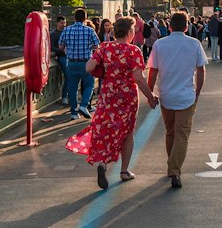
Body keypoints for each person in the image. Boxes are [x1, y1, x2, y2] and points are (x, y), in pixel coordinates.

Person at [66, 16, 158, 187]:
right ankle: (124, 171)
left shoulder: (104, 47)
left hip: (108, 94)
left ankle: (102, 163)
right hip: (127, 96)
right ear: (130, 32)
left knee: (105, 128)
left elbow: (88, 67)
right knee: (127, 132)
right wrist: (151, 97)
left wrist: (105, 70)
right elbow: (138, 78)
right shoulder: (133, 51)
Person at [147, 9, 206, 189]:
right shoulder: (194, 44)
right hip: (186, 95)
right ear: (187, 27)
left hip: (166, 95)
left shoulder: (159, 45)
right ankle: (174, 170)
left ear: (169, 26)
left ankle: (171, 164)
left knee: (170, 132)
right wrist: (197, 92)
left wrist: (150, 95)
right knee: (182, 135)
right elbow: (201, 70)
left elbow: (153, 71)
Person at [59, 7, 100, 118]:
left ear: (74, 18)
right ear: (85, 18)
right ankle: (83, 105)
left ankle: (73, 112)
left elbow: (61, 46)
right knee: (89, 84)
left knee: (72, 88)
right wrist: (89, 47)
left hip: (71, 62)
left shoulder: (66, 30)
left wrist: (69, 49)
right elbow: (97, 46)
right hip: (86, 62)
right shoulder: (89, 30)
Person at [54, 15, 69, 105]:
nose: (63, 25)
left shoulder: (67, 32)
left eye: (64, 23)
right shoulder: (53, 34)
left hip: (69, 56)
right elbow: (51, 47)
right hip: (61, 56)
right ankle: (64, 97)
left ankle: (69, 97)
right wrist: (61, 50)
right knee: (68, 75)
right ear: (57, 23)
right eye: (61, 23)